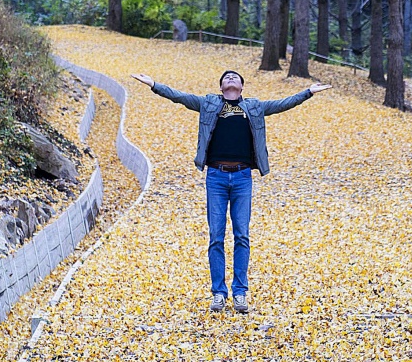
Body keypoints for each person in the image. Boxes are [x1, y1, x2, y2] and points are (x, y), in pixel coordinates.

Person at [131, 70, 330, 313]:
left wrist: (308, 92)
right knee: (216, 236)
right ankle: (218, 293)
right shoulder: (208, 104)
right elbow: (179, 97)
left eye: (236, 77)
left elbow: (282, 105)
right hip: (215, 176)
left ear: (242, 87)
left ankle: (240, 293)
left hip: (242, 177)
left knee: (242, 235)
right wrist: (153, 84)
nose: (232, 78)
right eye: (227, 77)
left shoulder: (254, 107)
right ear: (222, 86)